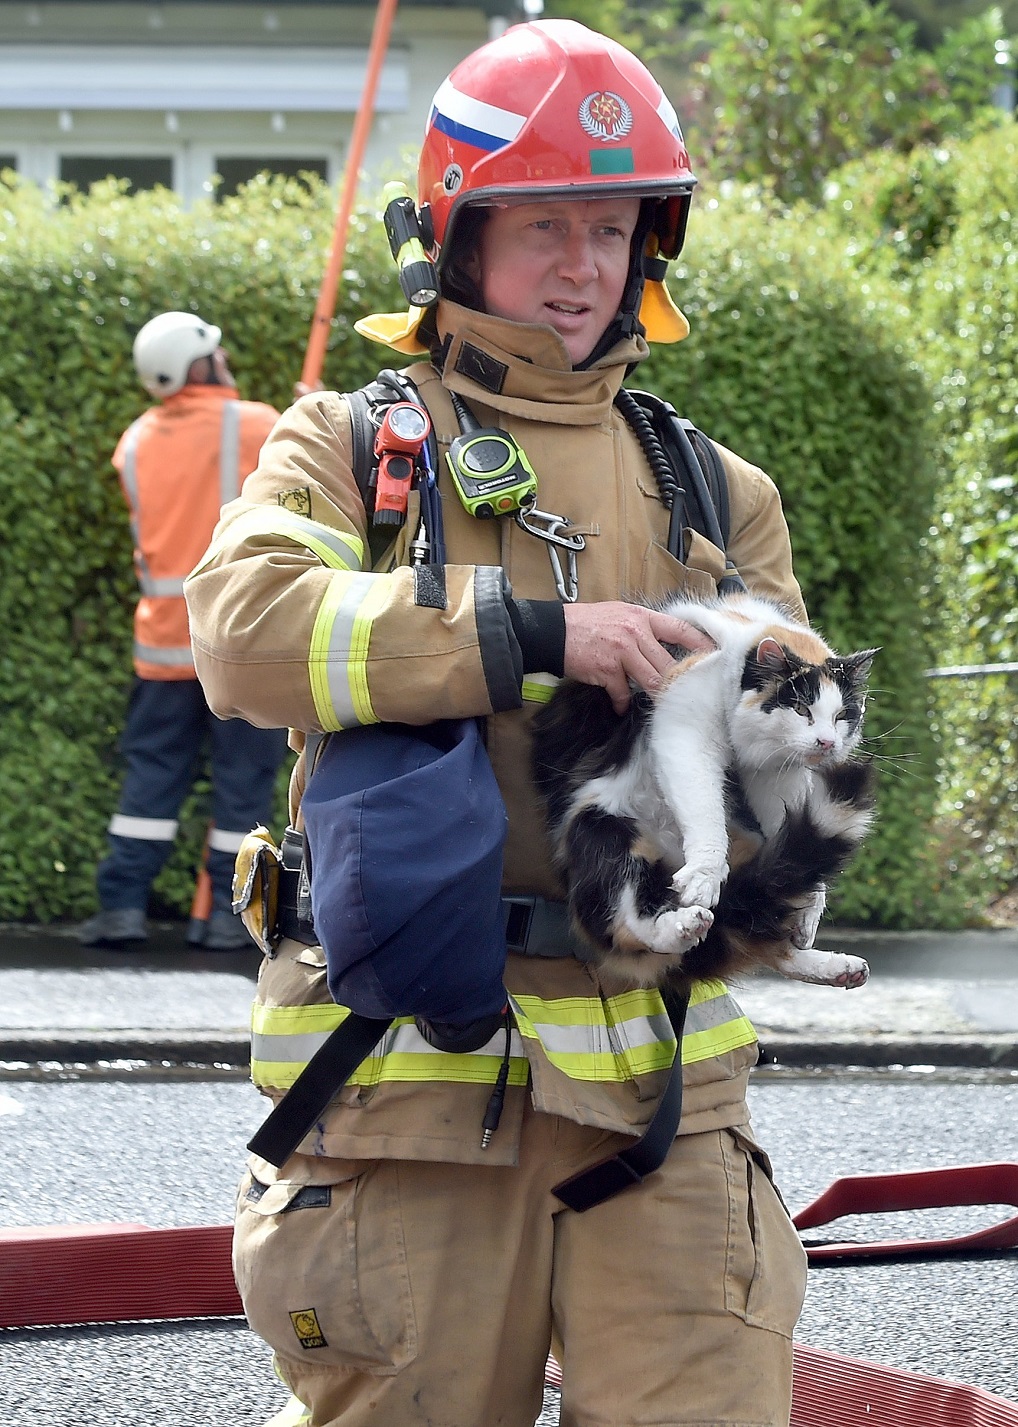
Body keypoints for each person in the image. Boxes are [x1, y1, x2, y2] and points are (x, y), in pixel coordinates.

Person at [185, 19, 809, 1426]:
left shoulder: (718, 490)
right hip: (406, 1076)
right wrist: (526, 635)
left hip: (664, 1090)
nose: (581, 266)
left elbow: (793, 759)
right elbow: (239, 631)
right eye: (540, 226)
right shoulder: (348, 445)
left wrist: (774, 708)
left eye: (610, 225)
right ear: (456, 242)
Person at [79, 311, 289, 952]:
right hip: (238, 644)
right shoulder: (260, 424)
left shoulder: (134, 441)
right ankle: (230, 918)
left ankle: (121, 907)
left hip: (164, 647)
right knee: (243, 787)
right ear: (201, 364)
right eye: (216, 353)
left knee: (149, 780)